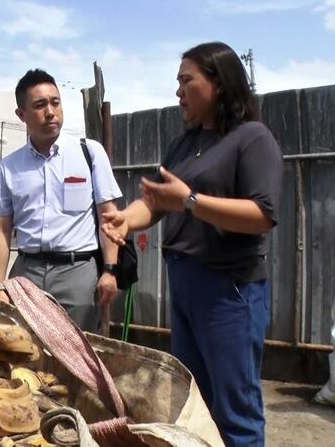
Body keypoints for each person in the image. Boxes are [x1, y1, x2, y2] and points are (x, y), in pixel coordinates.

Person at [102, 42, 282, 447]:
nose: (178, 92)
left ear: (218, 84)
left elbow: (262, 215)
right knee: (192, 403)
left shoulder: (252, 138)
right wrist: (125, 220)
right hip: (185, 286)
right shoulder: (184, 145)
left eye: (187, 81)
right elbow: (154, 202)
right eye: (177, 82)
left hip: (229, 291)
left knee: (236, 409)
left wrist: (192, 201)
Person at [0, 69, 121, 333]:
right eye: (40, 105)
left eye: (55, 102)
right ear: (21, 115)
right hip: (27, 274)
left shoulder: (89, 153)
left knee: (79, 355)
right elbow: (1, 228)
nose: (50, 111)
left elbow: (108, 215)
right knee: (25, 352)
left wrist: (110, 270)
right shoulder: (10, 166)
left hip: (77, 274)